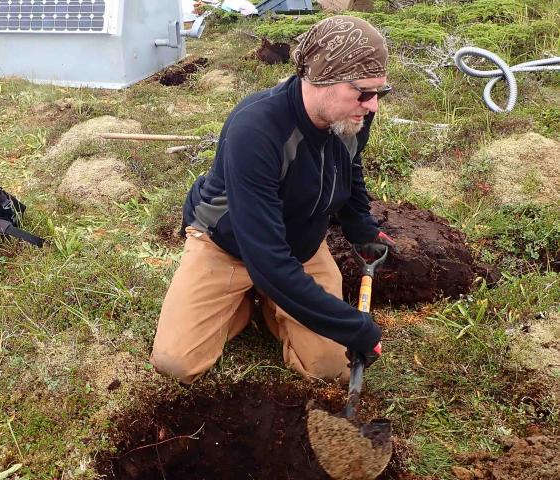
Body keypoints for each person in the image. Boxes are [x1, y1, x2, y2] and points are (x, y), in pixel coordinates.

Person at [150, 15, 396, 385]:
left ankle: (275, 300)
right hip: (229, 245)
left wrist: (360, 224)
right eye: (363, 92)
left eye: (380, 92)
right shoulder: (257, 128)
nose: (373, 105)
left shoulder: (352, 114)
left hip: (302, 246)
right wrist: (353, 326)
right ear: (321, 79)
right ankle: (248, 301)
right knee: (177, 364)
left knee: (332, 369)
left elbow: (350, 165)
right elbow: (265, 257)